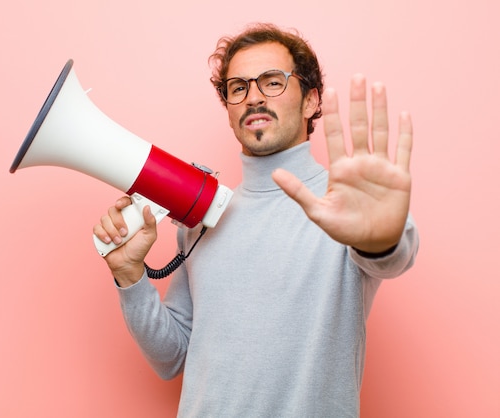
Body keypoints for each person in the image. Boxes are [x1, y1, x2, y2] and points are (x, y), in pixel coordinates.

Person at [93, 23, 419, 417]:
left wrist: (381, 240)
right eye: (238, 87)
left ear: (312, 101)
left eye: (272, 82)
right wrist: (131, 276)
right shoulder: (202, 219)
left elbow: (393, 254)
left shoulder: (346, 205)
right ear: (229, 107)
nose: (254, 98)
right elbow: (172, 358)